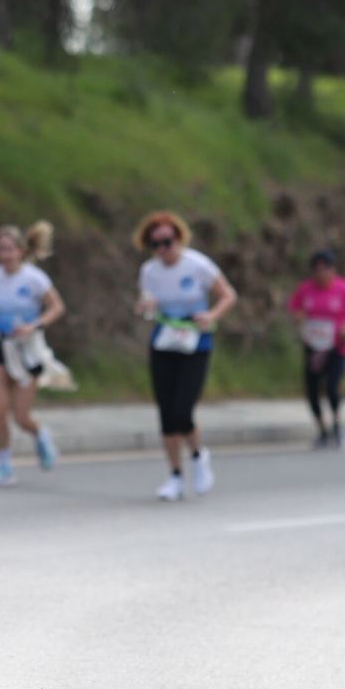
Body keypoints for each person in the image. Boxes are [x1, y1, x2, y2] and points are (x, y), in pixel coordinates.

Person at [133, 211, 237, 502]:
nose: (163, 249)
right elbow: (145, 303)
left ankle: (198, 456)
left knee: (182, 409)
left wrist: (211, 314)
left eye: (168, 241)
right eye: (156, 244)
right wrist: (145, 306)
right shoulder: (149, 271)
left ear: (178, 239)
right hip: (164, 342)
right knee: (166, 414)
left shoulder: (198, 265)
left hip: (196, 343)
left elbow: (228, 294)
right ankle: (175, 476)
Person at [0, 222, 66, 487]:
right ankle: (4, 466)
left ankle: (41, 434)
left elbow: (56, 307)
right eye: (0, 249)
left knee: (20, 416)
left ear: (21, 251)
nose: (5, 254)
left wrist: (35, 325)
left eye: (10, 249)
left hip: (27, 349)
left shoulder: (34, 278)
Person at [287, 249, 345, 448]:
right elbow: (295, 309)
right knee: (312, 389)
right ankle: (322, 430)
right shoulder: (306, 289)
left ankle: (337, 425)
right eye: (317, 270)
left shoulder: (343, 289)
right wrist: (299, 319)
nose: (321, 273)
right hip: (314, 346)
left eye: (325, 269)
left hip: (337, 346)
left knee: (332, 386)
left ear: (333, 270)